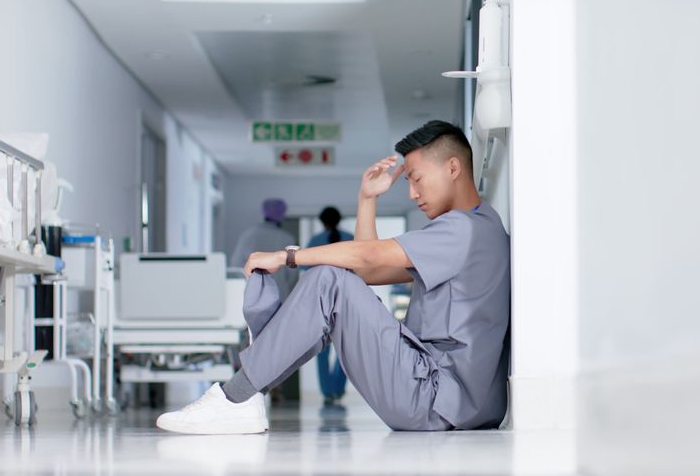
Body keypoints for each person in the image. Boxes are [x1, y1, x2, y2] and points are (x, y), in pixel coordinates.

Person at [157, 121, 510, 433]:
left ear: (452, 168)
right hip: (456, 402)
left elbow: (365, 256)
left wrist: (288, 256)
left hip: (433, 396)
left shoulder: (462, 230)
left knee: (328, 280)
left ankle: (236, 399)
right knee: (336, 280)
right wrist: (366, 199)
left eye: (416, 179)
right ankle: (246, 394)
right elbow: (367, 270)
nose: (412, 193)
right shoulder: (481, 227)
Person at [306, 206, 353, 406]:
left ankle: (327, 392)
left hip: (321, 301)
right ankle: (338, 389)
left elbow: (305, 272)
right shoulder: (350, 238)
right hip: (347, 298)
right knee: (346, 347)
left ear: (322, 221)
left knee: (322, 349)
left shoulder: (315, 242)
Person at [229, 198, 297, 301]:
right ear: (282, 215)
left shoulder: (248, 236)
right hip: (279, 296)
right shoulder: (287, 238)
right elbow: (293, 272)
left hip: (252, 295)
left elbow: (236, 265)